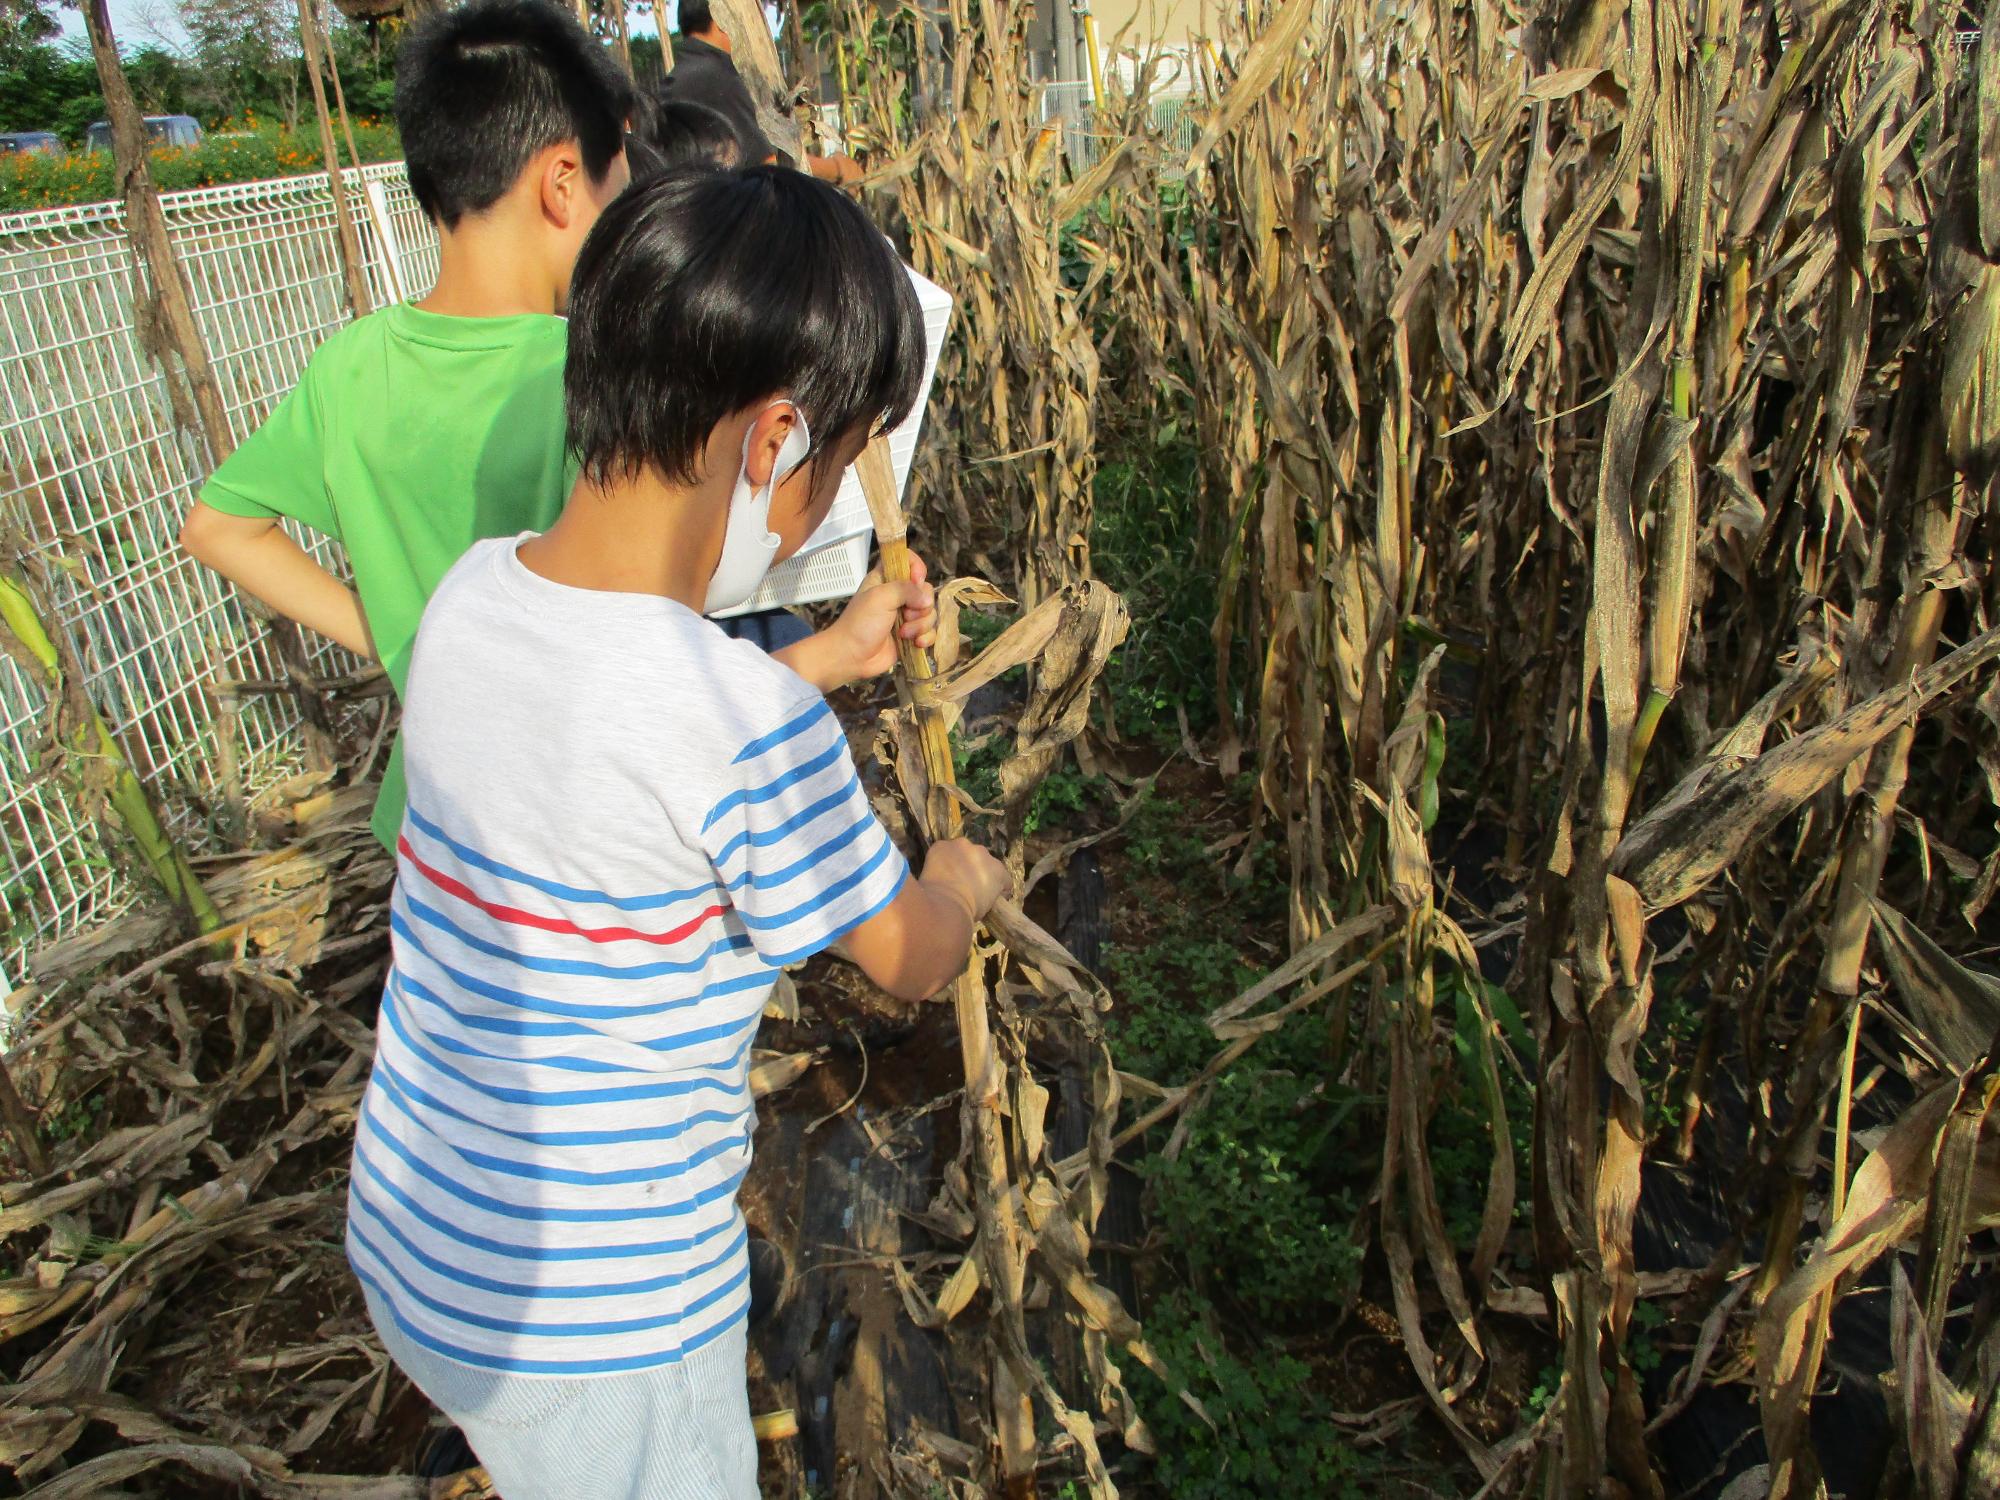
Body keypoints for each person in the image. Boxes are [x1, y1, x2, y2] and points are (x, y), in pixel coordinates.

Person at [346, 165, 1011, 1500]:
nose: (825, 499)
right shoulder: (747, 726)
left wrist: (822, 655)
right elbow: (910, 957)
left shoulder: (474, 602)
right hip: (596, 1327)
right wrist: (962, 877)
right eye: (834, 463)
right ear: (771, 441)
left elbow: (622, 743)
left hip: (416, 1237)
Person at [178, 0, 635, 855]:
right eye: (619, 185)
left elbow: (218, 527)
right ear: (564, 183)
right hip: (567, 830)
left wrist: (408, 642)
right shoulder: (594, 371)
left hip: (432, 821)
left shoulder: (349, 366)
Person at [660, 0, 862, 185]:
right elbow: (769, 167)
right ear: (723, 15)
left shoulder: (674, 82)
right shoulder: (719, 79)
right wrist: (838, 169)